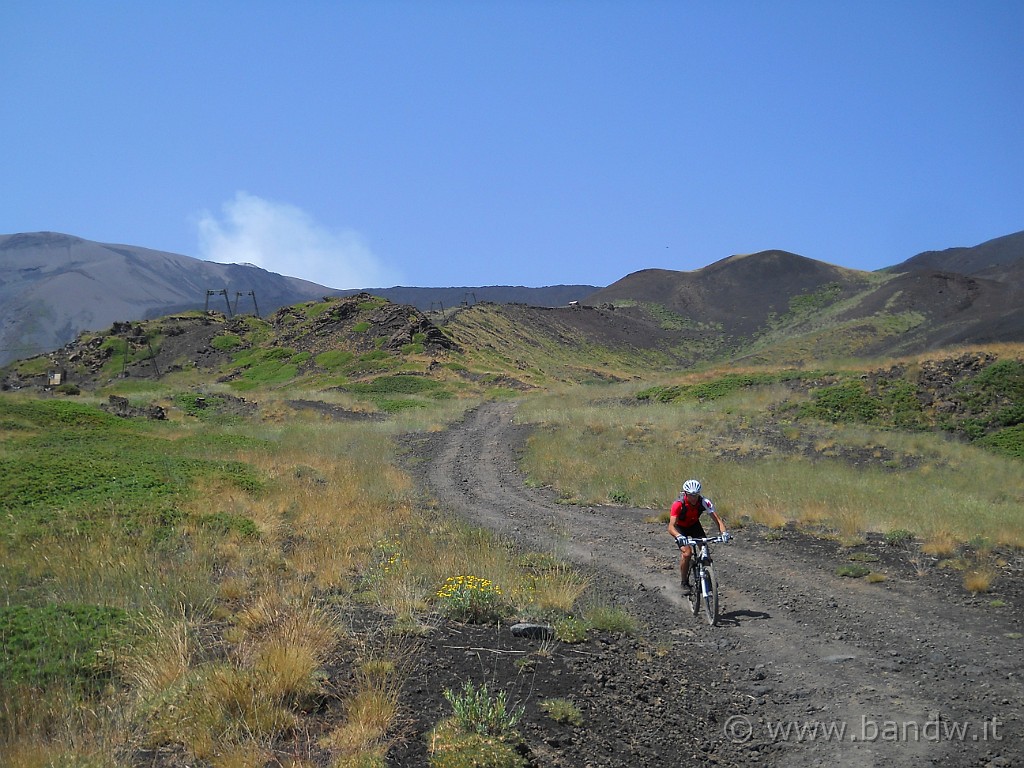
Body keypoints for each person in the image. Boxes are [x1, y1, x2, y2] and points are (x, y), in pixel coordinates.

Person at [668, 479, 729, 595]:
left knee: (705, 550)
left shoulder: (704, 502)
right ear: (685, 494)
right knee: (687, 553)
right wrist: (679, 536)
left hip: (694, 525)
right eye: (691, 495)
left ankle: (708, 578)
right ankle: (684, 582)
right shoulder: (678, 504)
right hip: (680, 528)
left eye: (696, 495)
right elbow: (671, 526)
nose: (694, 498)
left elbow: (717, 520)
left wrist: (724, 533)